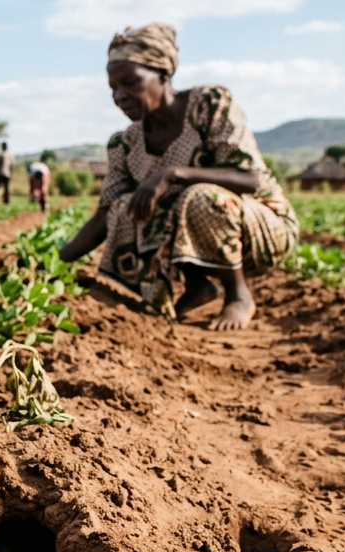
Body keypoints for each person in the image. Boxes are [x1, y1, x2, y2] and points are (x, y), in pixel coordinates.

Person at [58, 23, 299, 331]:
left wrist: (173, 174)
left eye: (130, 82)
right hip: (202, 228)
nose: (120, 95)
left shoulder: (209, 105)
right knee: (124, 207)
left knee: (199, 197)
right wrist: (52, 263)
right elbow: (104, 217)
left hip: (262, 226)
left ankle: (238, 295)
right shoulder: (125, 143)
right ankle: (197, 287)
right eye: (113, 88)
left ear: (162, 74)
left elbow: (251, 179)